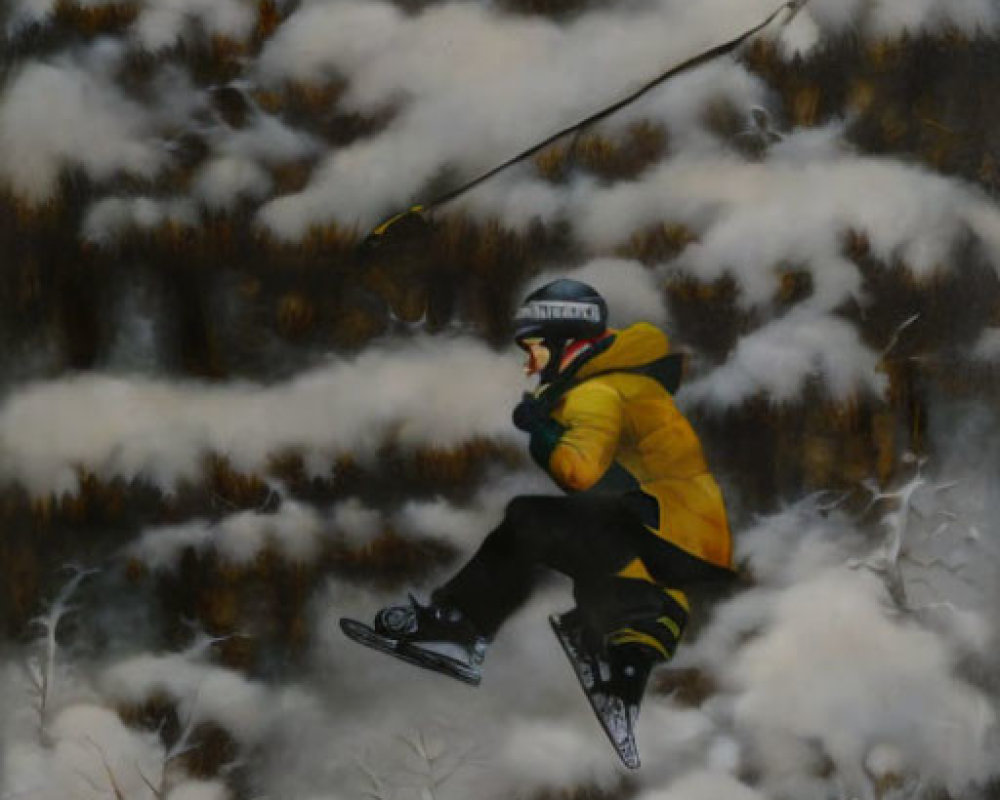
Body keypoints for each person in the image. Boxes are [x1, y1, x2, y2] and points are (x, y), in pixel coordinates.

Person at [366, 277, 735, 707]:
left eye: (535, 349)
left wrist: (544, 432)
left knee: (528, 520)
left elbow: (582, 475)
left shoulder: (595, 393)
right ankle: (613, 650)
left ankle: (458, 628)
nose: (529, 364)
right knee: (559, 526)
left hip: (663, 535)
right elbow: (611, 489)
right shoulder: (622, 382)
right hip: (680, 538)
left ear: (565, 343)